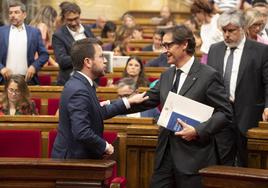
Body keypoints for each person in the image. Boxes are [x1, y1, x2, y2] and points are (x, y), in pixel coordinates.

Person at [128, 25, 232, 188]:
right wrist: (112, 106)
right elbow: (146, 100)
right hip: (165, 156)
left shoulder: (209, 75)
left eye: (168, 45)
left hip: (193, 158)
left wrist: (198, 130)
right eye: (163, 45)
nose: (165, 50)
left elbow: (225, 113)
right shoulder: (167, 75)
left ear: (184, 44)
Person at [51, 38, 148, 159]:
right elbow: (81, 132)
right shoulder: (79, 89)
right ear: (88, 62)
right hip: (73, 164)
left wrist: (128, 101)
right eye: (101, 57)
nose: (105, 61)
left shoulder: (83, 84)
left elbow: (98, 112)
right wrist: (105, 146)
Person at [207, 9, 268, 167]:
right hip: (221, 114)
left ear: (242, 29)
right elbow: (208, 83)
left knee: (247, 163)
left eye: (231, 30)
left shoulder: (261, 51)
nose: (226, 35)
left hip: (249, 114)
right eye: (224, 31)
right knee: (222, 163)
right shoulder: (215, 49)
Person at [0, 1, 49, 85]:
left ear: (24, 15)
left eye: (16, 12)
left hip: (27, 79)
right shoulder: (1, 32)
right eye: (10, 13)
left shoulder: (34, 32)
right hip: (5, 79)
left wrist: (34, 67)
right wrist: (1, 68)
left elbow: (44, 55)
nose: (13, 15)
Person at [52, 2, 94, 85]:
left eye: (76, 18)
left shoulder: (87, 30)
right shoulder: (59, 35)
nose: (74, 23)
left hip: (90, 80)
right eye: (70, 20)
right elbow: (62, 60)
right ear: (64, 19)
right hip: (70, 81)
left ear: (79, 15)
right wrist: (83, 57)